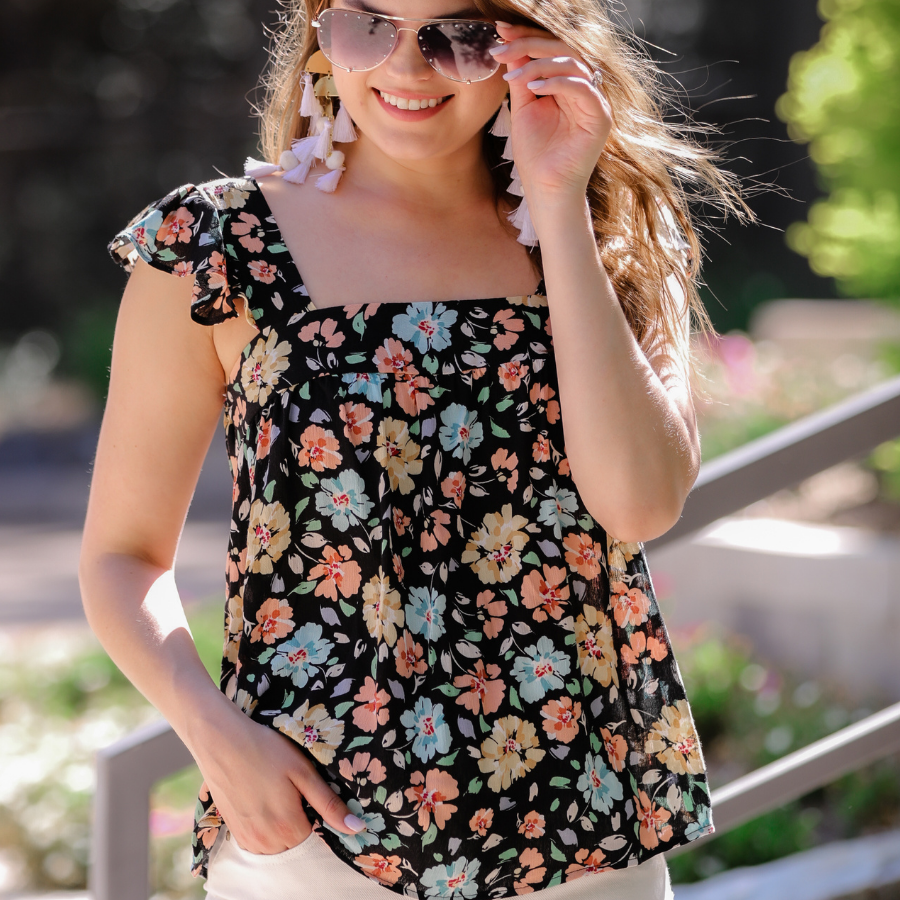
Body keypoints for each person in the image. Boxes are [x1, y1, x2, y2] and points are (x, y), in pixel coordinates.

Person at [80, 0, 748, 898]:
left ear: (529, 42)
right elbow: (122, 557)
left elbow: (638, 503)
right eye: (369, 24)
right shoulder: (217, 248)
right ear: (319, 29)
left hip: (584, 825)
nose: (406, 66)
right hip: (319, 831)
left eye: (457, 33)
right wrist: (215, 736)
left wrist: (557, 203)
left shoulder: (612, 236)